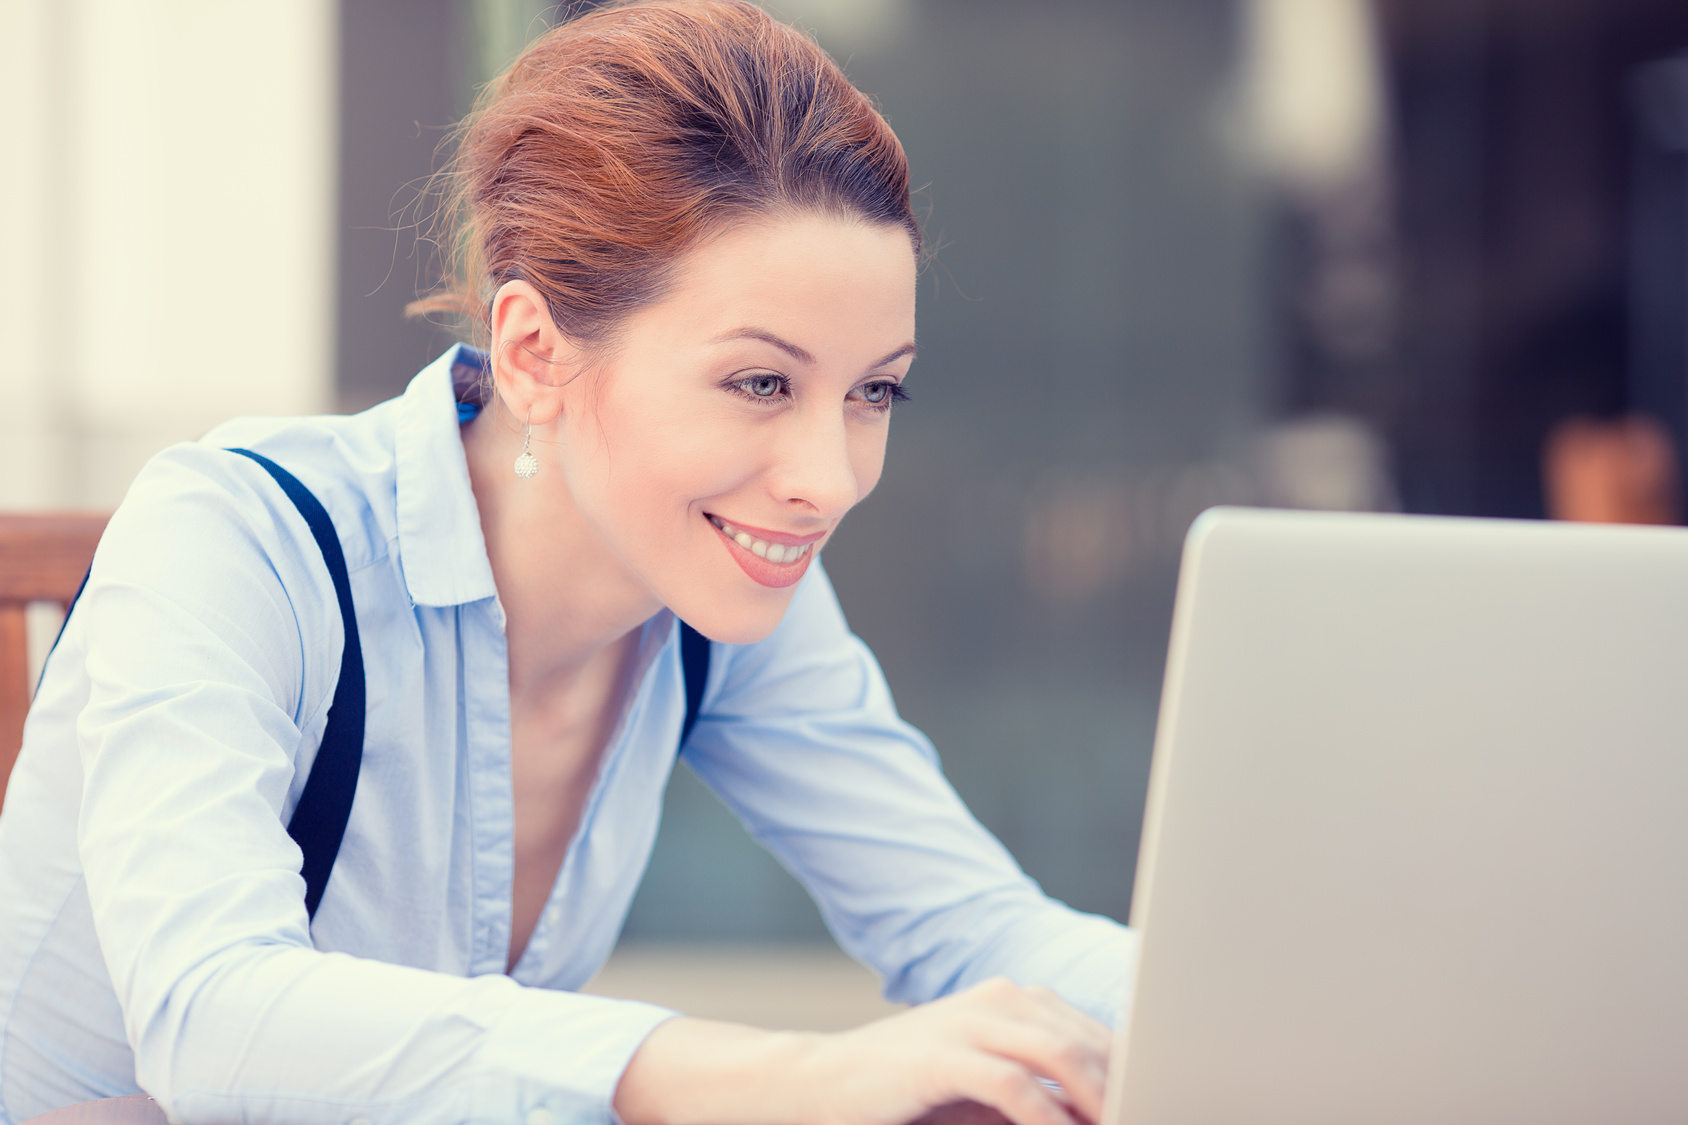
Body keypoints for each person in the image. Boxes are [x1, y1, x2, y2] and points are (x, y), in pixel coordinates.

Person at [0, 3, 1135, 1123]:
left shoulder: (716, 587)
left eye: (871, 390)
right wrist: (782, 1077)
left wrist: (1247, 1015)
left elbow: (968, 924)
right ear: (534, 353)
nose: (828, 478)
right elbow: (210, 1019)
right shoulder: (239, 537)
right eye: (759, 383)